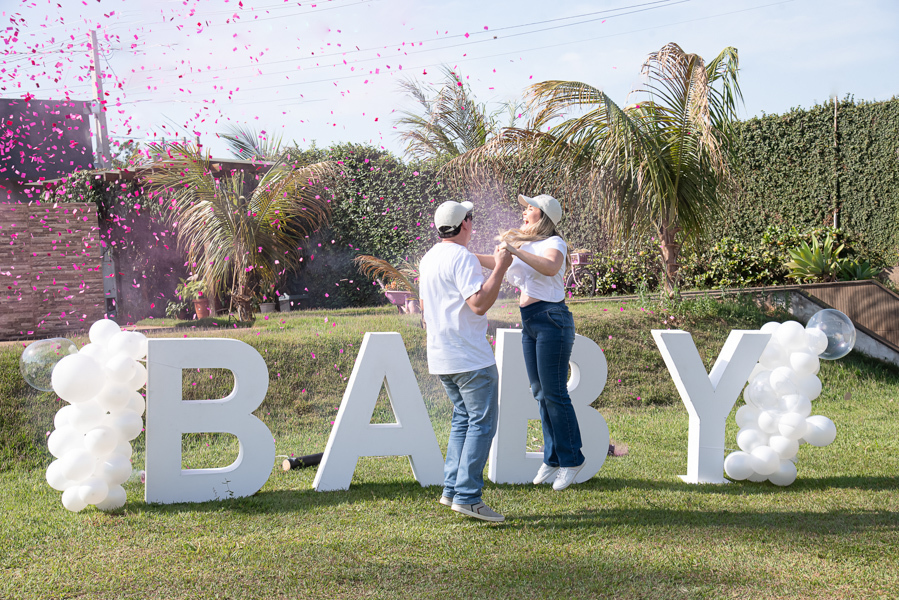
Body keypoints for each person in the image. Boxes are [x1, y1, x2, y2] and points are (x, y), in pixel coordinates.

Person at [478, 193, 584, 491]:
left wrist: (516, 248)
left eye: (530, 208)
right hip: (531, 321)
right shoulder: (527, 244)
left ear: (543, 216)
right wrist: (463, 255)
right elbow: (496, 262)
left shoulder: (554, 243)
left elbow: (550, 267)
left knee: (554, 392)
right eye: (525, 207)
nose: (524, 212)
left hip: (552, 320)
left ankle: (572, 458)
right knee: (540, 393)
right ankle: (552, 458)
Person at [418, 199, 513, 522]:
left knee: (463, 419)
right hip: (470, 356)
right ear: (466, 224)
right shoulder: (462, 257)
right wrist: (500, 267)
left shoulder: (429, 258)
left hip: (442, 356)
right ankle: (469, 496)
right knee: (481, 423)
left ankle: (451, 489)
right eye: (471, 218)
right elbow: (478, 304)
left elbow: (423, 307)